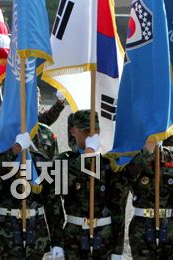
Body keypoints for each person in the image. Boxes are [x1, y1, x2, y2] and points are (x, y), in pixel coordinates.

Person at [46, 111, 127, 259]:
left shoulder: (109, 163)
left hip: (104, 236)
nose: (91, 136)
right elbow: (54, 207)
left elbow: (118, 208)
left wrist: (118, 249)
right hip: (74, 237)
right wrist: (57, 242)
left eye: (95, 131)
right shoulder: (62, 161)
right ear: (73, 131)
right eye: (86, 131)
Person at [119, 139, 173, 259]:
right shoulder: (133, 160)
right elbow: (125, 178)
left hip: (169, 227)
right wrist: (147, 152)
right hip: (141, 227)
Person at [0, 131, 54, 259]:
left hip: (35, 230)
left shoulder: (40, 160)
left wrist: (58, 242)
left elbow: (53, 203)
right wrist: (14, 150)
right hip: (6, 231)